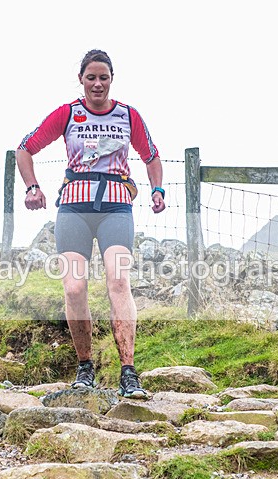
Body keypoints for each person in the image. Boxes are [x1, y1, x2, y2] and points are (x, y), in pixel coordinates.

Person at [16, 49, 166, 399]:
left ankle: (129, 372)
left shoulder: (129, 116)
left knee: (118, 280)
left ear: (112, 79)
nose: (97, 84)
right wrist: (32, 187)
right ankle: (85, 367)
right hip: (74, 210)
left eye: (104, 77)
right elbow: (25, 148)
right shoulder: (68, 113)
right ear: (81, 80)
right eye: (91, 77)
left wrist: (157, 189)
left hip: (116, 208)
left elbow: (152, 156)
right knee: (73, 288)